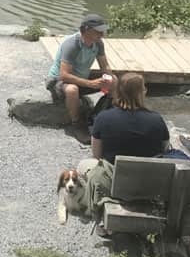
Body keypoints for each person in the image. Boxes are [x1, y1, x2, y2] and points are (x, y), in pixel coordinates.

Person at [45, 13, 114, 144]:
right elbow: (63, 75)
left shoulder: (98, 43)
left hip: (82, 77)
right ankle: (76, 124)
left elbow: (104, 65)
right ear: (87, 30)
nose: (102, 34)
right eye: (98, 31)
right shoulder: (72, 44)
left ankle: (103, 115)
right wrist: (90, 83)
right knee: (72, 90)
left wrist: (108, 78)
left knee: (114, 80)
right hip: (58, 81)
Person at [90, 73, 170, 163]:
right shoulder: (156, 119)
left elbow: (96, 155)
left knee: (85, 164)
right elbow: (165, 149)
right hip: (149, 173)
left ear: (118, 92)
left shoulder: (103, 118)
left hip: (113, 172)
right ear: (142, 92)